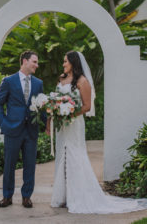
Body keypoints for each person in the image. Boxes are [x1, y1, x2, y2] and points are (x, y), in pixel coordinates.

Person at [46, 50, 147, 214]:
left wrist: (68, 113)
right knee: (62, 156)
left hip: (74, 123)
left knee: (74, 155)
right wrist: (53, 117)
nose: (63, 64)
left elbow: (86, 106)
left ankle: (78, 196)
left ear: (73, 62)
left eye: (65, 61)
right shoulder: (62, 79)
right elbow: (54, 102)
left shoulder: (83, 81)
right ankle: (62, 196)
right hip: (62, 126)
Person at [0, 50, 46, 208]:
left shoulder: (38, 83)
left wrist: (46, 124)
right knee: (9, 165)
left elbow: (42, 106)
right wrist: (4, 122)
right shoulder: (8, 81)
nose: (37, 65)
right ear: (24, 61)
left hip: (31, 130)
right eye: (34, 62)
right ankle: (7, 196)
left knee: (30, 165)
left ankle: (26, 197)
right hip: (12, 129)